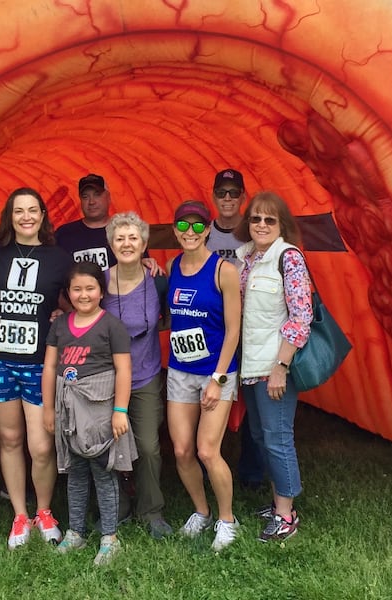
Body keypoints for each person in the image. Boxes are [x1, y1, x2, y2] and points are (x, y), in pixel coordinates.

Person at [0, 187, 73, 549]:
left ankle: (44, 510)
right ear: (10, 216)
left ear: (43, 214)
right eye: (19, 211)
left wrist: (63, 314)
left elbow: (82, 294)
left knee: (41, 446)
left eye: (33, 210)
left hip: (39, 362)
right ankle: (20, 515)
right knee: (9, 439)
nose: (26, 217)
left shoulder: (59, 258)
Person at [43, 261, 137, 566]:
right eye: (76, 289)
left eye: (90, 288)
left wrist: (119, 411)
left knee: (103, 470)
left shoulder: (111, 326)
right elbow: (49, 367)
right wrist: (48, 409)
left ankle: (110, 537)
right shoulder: (60, 325)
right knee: (76, 472)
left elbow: (123, 369)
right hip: (68, 408)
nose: (83, 295)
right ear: (68, 293)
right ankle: (76, 532)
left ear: (101, 290)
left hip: (99, 409)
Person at [233, 191, 312, 542]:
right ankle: (278, 498)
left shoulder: (288, 258)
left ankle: (287, 513)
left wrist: (281, 365)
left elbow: (300, 317)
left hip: (272, 366)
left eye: (269, 219)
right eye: (255, 218)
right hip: (250, 366)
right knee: (259, 435)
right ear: (247, 223)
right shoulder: (246, 259)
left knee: (278, 439)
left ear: (281, 225)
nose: (261, 225)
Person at [166, 200, 242, 551]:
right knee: (182, 451)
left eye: (198, 226)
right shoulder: (172, 266)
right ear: (176, 230)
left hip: (216, 372)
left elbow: (233, 330)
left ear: (208, 230)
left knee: (208, 451)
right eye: (184, 226)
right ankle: (202, 511)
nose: (190, 232)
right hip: (180, 370)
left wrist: (219, 378)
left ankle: (228, 520)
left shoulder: (224, 270)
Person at [101, 212, 172, 540]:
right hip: (106, 378)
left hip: (144, 375)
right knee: (107, 447)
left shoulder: (157, 280)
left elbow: (172, 318)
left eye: (133, 238)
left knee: (148, 447)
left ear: (144, 244)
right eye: (120, 238)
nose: (126, 244)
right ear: (111, 244)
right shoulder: (99, 281)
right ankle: (115, 507)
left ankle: (151, 509)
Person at [206, 168, 265, 491]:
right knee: (209, 393)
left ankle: (252, 471)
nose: (227, 198)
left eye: (233, 192)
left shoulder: (254, 232)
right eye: (221, 192)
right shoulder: (204, 233)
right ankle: (206, 460)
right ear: (213, 196)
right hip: (214, 330)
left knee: (254, 399)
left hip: (252, 328)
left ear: (243, 197)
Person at [56, 173, 160, 275]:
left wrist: (147, 263)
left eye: (97, 194)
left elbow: (143, 265)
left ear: (108, 197)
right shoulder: (64, 234)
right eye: (85, 197)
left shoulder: (126, 231)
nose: (91, 202)